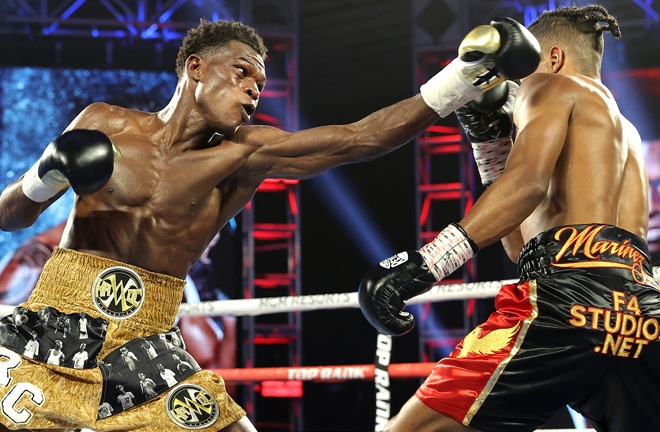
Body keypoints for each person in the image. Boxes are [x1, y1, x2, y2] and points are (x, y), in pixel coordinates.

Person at [0, 15, 540, 432]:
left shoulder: (247, 154)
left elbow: (361, 138)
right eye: (241, 74)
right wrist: (45, 177)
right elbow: (12, 216)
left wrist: (461, 76)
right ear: (195, 68)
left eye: (260, 82)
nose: (254, 89)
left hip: (145, 343)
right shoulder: (103, 123)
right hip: (51, 322)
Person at [359, 5, 660, 432]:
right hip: (641, 312)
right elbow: (524, 247)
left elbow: (525, 186)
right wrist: (490, 146)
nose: (519, 85)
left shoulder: (551, 86)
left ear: (551, 57)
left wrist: (426, 265)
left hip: (565, 304)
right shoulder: (625, 133)